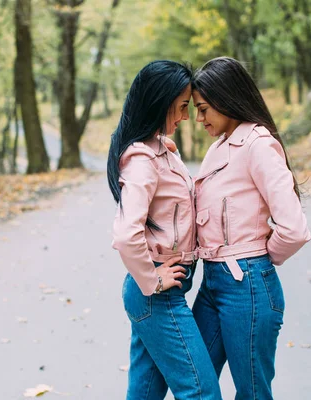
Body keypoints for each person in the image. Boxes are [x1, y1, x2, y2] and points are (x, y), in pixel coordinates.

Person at [191, 56, 311, 400]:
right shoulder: (220, 147)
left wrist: (258, 257)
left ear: (226, 99)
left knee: (253, 392)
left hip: (248, 284)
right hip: (212, 282)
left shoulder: (258, 145)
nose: (199, 119)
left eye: (203, 109)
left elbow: (294, 228)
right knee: (196, 383)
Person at [108, 60, 221, 399]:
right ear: (161, 100)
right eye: (183, 106)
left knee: (144, 393)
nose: (187, 116)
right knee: (201, 392)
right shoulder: (143, 160)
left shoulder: (163, 151)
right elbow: (127, 233)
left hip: (159, 291)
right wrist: (152, 279)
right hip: (156, 295)